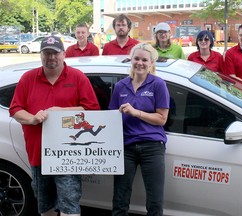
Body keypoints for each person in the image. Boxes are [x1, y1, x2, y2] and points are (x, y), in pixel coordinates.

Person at [9, 36, 100, 216]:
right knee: (45, 206)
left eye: (55, 53)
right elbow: (15, 109)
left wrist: (62, 111)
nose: (51, 57)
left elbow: (92, 109)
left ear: (64, 54)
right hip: (39, 155)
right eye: (46, 53)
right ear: (41, 54)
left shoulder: (77, 77)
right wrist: (33, 119)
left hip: (68, 155)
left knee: (69, 205)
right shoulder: (28, 78)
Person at [109, 42, 170, 216]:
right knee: (120, 199)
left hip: (152, 146)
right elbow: (112, 117)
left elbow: (162, 119)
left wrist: (136, 113)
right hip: (126, 146)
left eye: (144, 60)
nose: (140, 63)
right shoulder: (121, 86)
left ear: (151, 63)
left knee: (154, 200)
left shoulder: (158, 84)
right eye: (136, 58)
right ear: (131, 60)